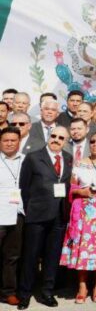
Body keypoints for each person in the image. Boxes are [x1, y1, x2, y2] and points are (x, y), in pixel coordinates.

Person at [17, 125, 73, 309]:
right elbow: (23, 187)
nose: (56, 139)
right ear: (49, 136)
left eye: (61, 137)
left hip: (59, 215)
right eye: (54, 136)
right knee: (31, 256)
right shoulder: (33, 158)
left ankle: (47, 292)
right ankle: (24, 294)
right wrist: (28, 209)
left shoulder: (68, 158)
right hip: (37, 214)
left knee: (52, 257)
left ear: (65, 141)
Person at [60, 130, 96, 303]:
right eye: (92, 141)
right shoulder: (80, 163)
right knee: (82, 249)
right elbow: (71, 188)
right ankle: (82, 285)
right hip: (84, 212)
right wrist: (82, 191)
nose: (95, 144)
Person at [0, 128, 23, 306]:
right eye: (5, 140)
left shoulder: (26, 160)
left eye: (13, 140)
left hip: (18, 214)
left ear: (19, 142)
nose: (9, 143)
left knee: (12, 256)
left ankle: (8, 292)